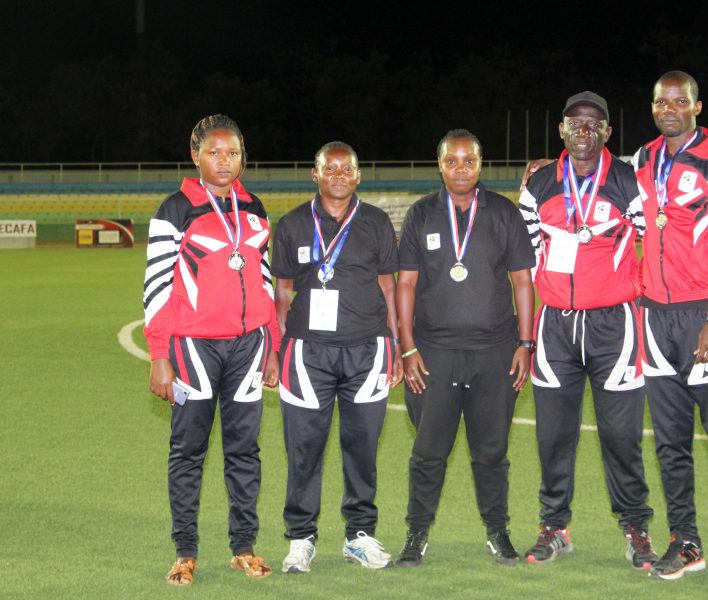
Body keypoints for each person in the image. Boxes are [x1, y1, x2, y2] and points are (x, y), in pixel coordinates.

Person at [518, 92, 657, 569]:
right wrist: (523, 335)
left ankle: (636, 528)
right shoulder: (539, 184)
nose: (583, 130)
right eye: (574, 123)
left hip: (614, 326)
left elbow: (653, 242)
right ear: (561, 130)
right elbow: (524, 258)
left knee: (622, 437)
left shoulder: (627, 181)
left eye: (594, 124)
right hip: (555, 326)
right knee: (553, 437)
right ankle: (554, 527)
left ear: (607, 133)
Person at [143, 114, 280, 586]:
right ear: (195, 155)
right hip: (193, 349)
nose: (224, 161)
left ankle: (244, 547)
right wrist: (159, 355)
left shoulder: (255, 207)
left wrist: (272, 345)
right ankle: (185, 551)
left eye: (233, 152)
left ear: (244, 157)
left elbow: (264, 281)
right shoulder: (175, 209)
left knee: (245, 452)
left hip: (248, 347)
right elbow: (157, 289)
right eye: (214, 152)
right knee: (188, 452)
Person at [630, 71, 708, 588]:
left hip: (705, 318)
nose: (670, 109)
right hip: (656, 319)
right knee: (671, 443)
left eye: (680, 101)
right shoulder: (642, 159)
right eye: (662, 101)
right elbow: (616, 197)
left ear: (697, 107)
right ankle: (685, 543)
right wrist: (552, 166)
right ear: (653, 107)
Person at [393, 129, 535, 567]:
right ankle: (416, 534)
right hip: (433, 354)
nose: (460, 169)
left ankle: (498, 531)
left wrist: (525, 343)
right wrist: (407, 348)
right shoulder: (421, 214)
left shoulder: (504, 213)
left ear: (480, 164)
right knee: (428, 452)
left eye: (468, 161)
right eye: (451, 161)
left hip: (495, 353)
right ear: (440, 165)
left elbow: (523, 281)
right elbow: (405, 284)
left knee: (491, 452)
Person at [271, 142, 401, 573]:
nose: (340, 175)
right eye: (331, 168)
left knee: (361, 448)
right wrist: (280, 348)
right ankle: (301, 538)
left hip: (368, 350)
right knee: (303, 448)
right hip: (307, 353)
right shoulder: (292, 224)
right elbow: (282, 291)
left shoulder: (376, 222)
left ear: (358, 175)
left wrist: (397, 344)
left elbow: (388, 286)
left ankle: (359, 535)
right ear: (315, 174)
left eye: (348, 169)